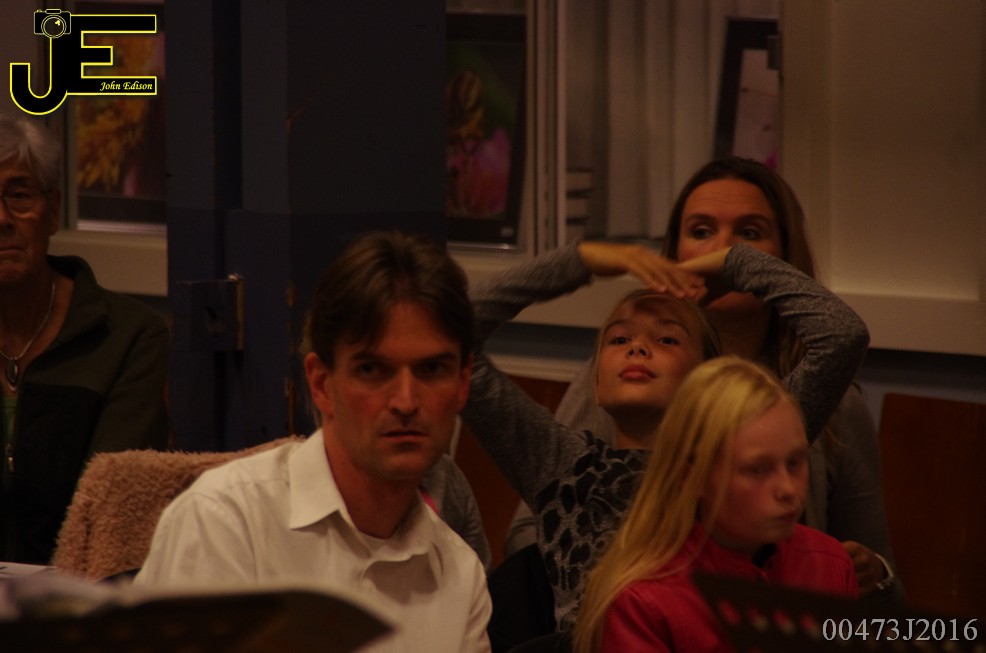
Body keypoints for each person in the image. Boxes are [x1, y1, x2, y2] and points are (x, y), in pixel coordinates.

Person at [506, 157, 901, 602]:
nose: (724, 248)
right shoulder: (627, 378)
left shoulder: (823, 398)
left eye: (749, 234)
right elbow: (528, 532)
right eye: (701, 232)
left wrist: (876, 574)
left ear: (783, 260)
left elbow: (888, 584)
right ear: (674, 255)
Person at [461, 233, 868, 631]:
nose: (637, 348)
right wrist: (582, 260)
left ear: (707, 375)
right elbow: (457, 334)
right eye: (619, 338)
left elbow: (841, 337)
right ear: (596, 382)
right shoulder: (562, 466)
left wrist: (735, 263)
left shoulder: (737, 450)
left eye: (667, 338)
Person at [135, 231, 492, 653]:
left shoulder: (459, 575)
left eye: (432, 370)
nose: (406, 401)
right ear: (321, 384)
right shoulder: (226, 521)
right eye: (373, 370)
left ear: (463, 384)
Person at [573, 356, 858, 653]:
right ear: (692, 478)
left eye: (795, 462)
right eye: (757, 470)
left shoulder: (831, 563)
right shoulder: (641, 602)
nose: (788, 489)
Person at [0, 113, 169, 565]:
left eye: (19, 195)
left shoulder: (127, 337)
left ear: (53, 210)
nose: (2, 219)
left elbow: (113, 512)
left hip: (79, 594)